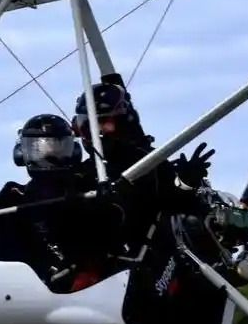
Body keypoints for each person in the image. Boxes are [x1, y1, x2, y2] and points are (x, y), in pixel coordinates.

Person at [0, 113, 122, 291]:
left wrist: (104, 204)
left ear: (73, 151)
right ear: (23, 153)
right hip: (8, 289)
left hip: (74, 289)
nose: (48, 158)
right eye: (38, 150)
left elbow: (113, 224)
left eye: (57, 150)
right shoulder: (13, 198)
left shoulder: (87, 189)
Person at [70, 78, 215, 274]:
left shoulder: (146, 162)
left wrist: (187, 182)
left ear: (123, 121)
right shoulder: (82, 173)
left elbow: (175, 202)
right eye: (90, 126)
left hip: (150, 263)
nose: (98, 132)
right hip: (101, 265)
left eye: (104, 122)